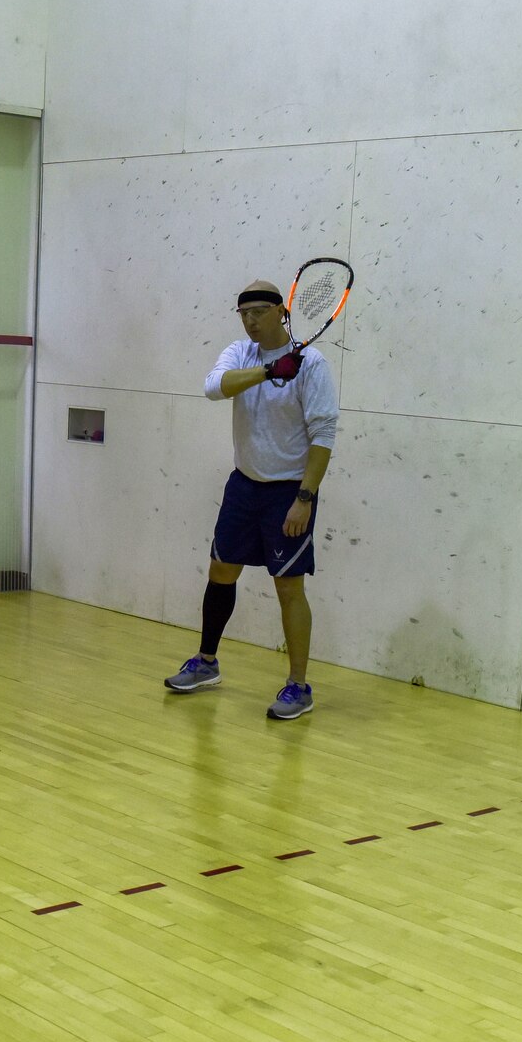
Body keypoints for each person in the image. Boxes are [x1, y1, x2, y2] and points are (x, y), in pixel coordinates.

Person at [162, 278, 339, 719]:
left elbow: (323, 436)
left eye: (259, 312)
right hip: (243, 486)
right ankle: (206, 662)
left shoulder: (312, 365)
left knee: (288, 586)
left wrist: (305, 498)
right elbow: (213, 387)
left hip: (289, 491)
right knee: (221, 571)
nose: (251, 321)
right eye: (244, 314)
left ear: (282, 311)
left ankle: (298, 686)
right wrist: (267, 371)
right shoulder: (241, 353)